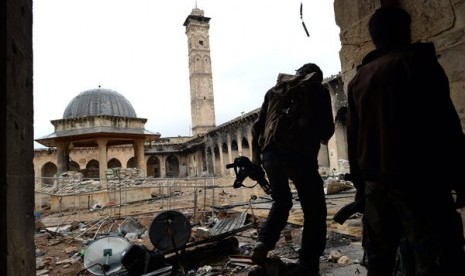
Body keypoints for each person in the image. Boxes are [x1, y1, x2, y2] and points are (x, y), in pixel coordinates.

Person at [346, 6, 465, 276]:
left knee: (379, 259)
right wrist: (461, 179)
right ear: (404, 31)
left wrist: (361, 188)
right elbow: (445, 127)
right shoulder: (418, 63)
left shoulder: (358, 80)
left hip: (376, 184)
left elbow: (353, 140)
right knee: (437, 255)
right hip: (419, 180)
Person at [250, 62, 335, 275]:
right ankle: (308, 263)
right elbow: (327, 130)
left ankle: (263, 243)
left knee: (282, 201)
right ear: (316, 76)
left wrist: (256, 159)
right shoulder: (317, 89)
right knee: (314, 209)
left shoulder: (275, 90)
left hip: (269, 154)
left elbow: (257, 127)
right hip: (299, 156)